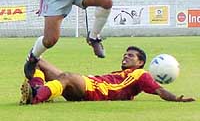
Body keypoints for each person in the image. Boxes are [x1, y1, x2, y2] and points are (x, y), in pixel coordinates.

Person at [20, 46, 195, 104]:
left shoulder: (141, 74)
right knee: (37, 61)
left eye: (131, 55)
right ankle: (38, 89)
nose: (125, 57)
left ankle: (36, 97)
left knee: (67, 76)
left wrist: (176, 99)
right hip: (90, 83)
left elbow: (159, 90)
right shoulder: (122, 74)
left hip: (97, 91)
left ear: (140, 62)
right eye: (125, 54)